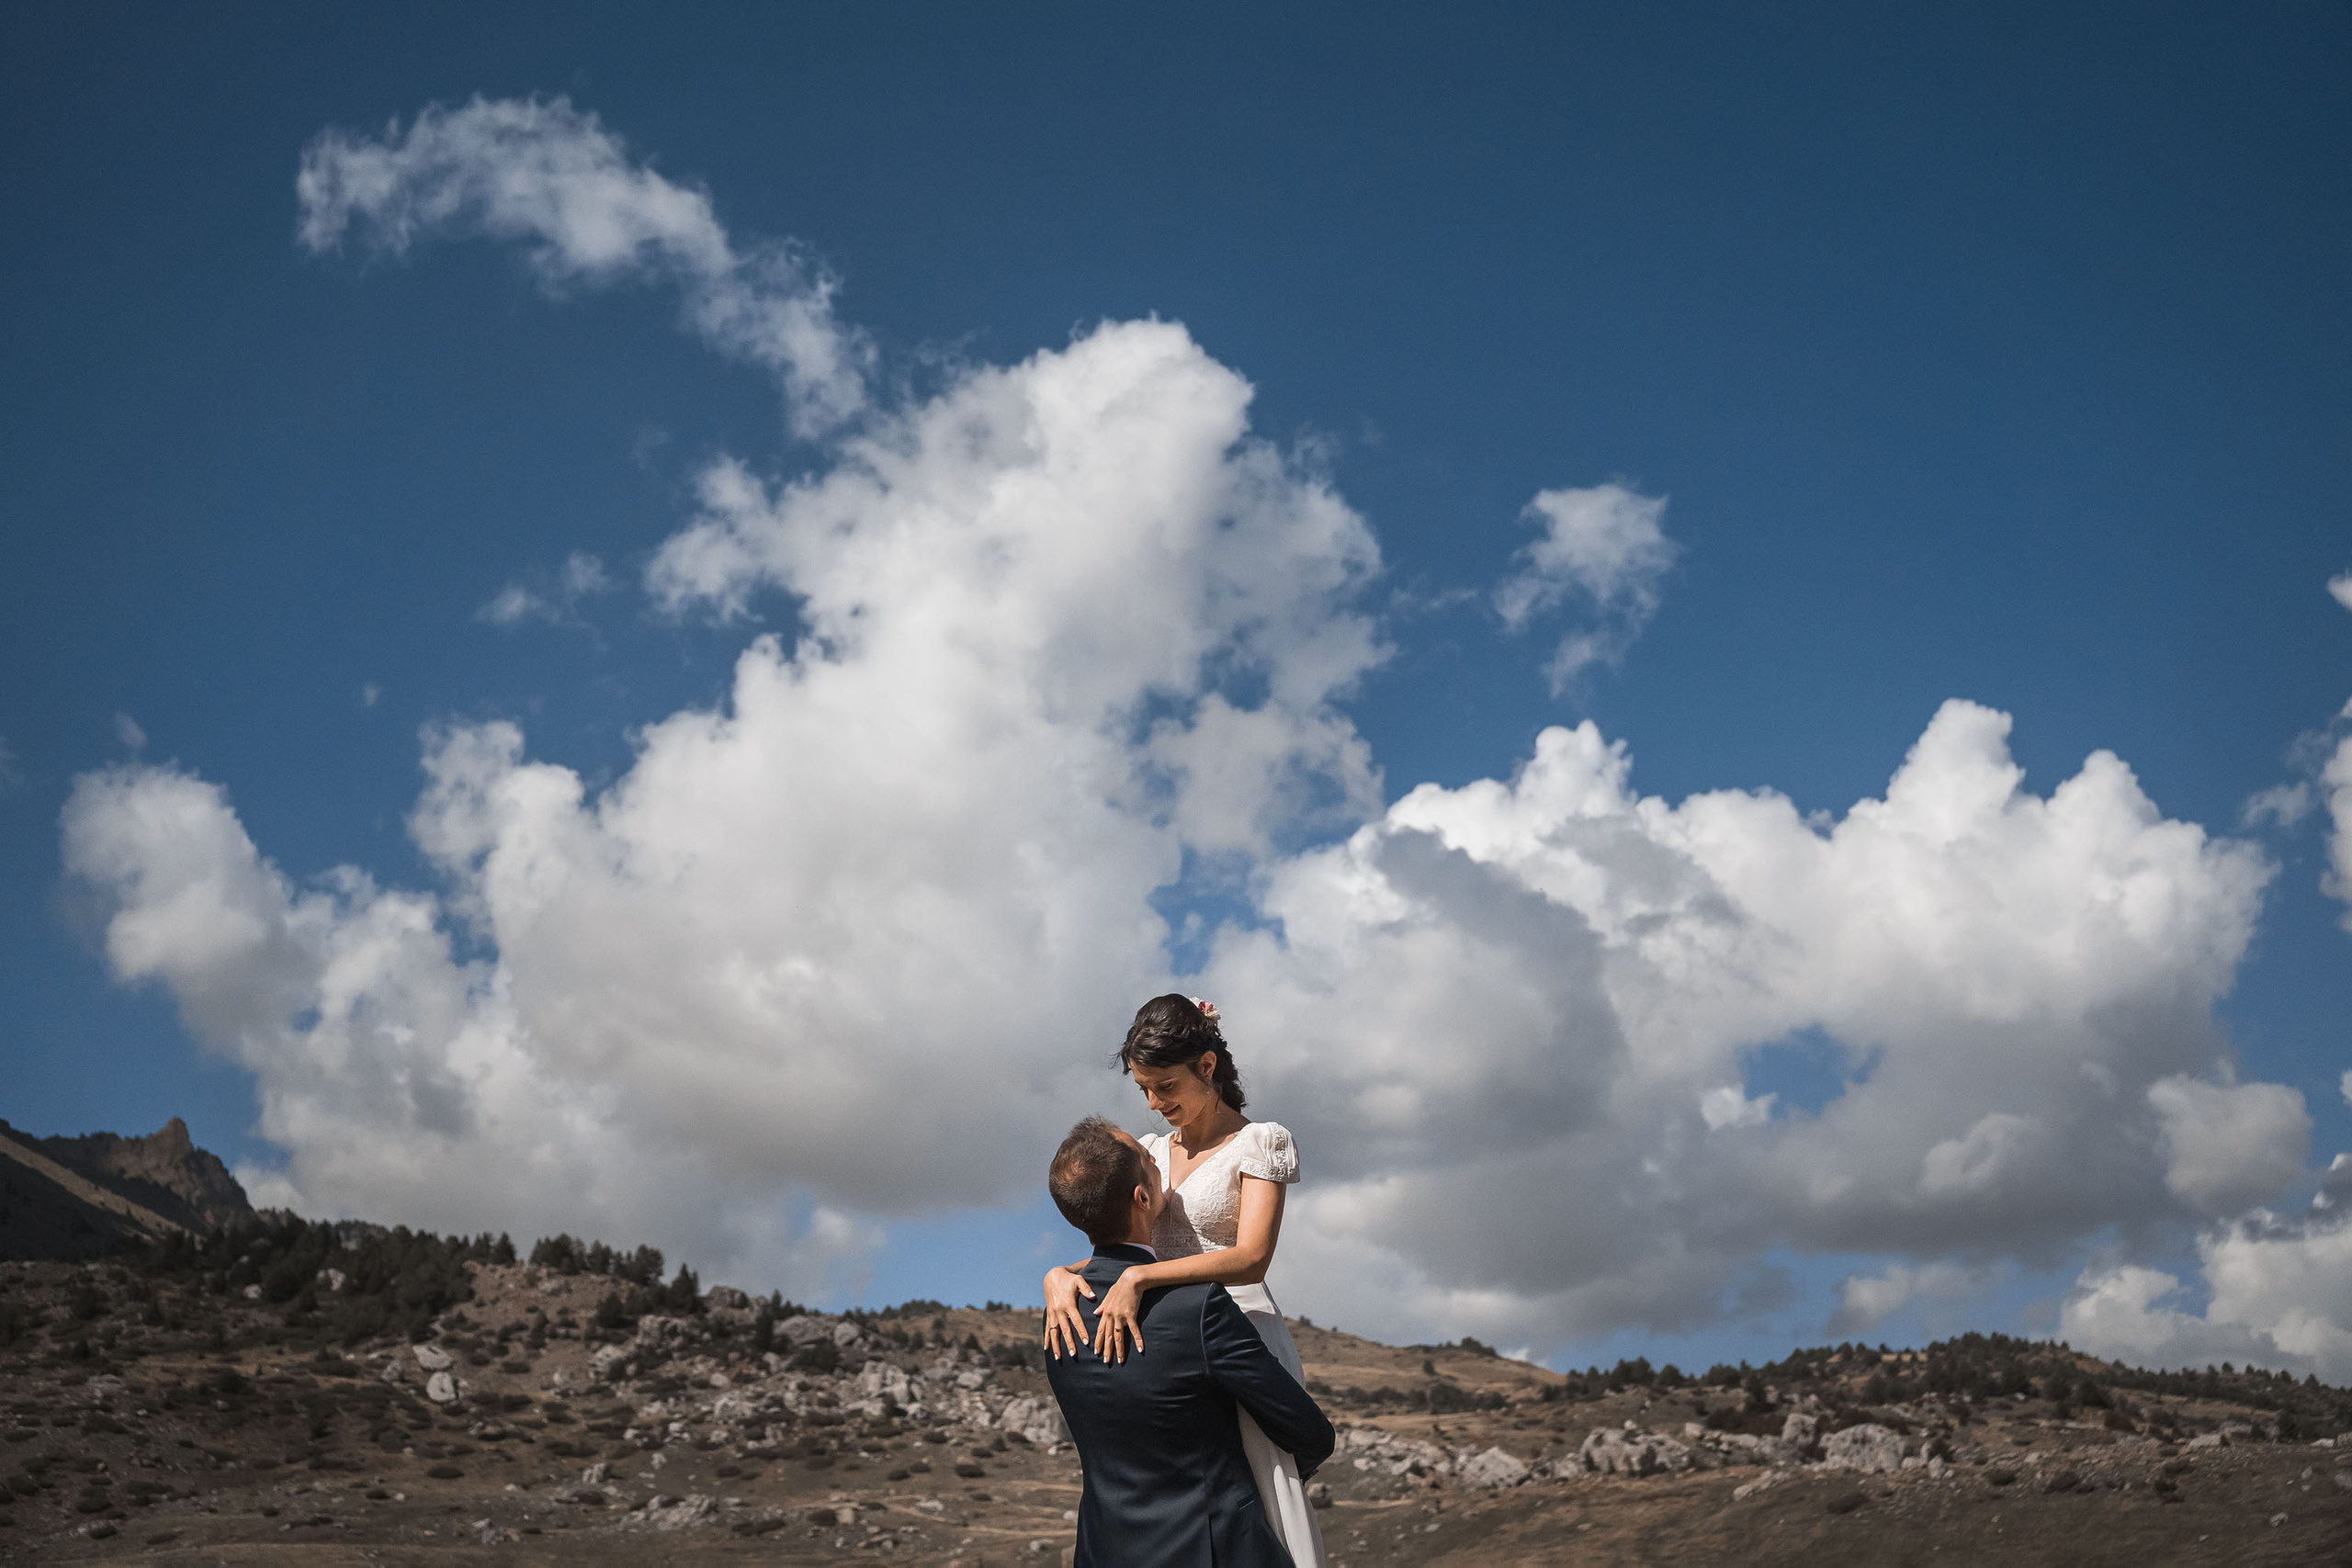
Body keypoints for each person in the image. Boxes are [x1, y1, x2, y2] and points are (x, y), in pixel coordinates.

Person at [1042, 994, 1326, 1566]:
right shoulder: (1148, 1153)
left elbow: (1251, 1257)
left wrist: (1146, 1279)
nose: (1154, 1103)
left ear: (1207, 1066)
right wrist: (1056, 1274)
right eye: (1143, 1090)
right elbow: (1116, 1244)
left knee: (1259, 1495)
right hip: (1162, 1330)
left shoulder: (1258, 1143)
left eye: (1164, 1086)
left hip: (1241, 1327)